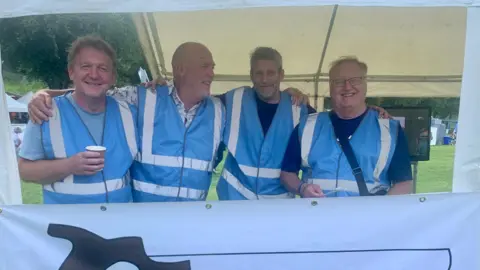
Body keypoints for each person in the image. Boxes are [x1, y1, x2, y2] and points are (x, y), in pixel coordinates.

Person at [18, 35, 139, 204]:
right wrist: (69, 166)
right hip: (67, 223)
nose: (94, 74)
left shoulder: (130, 113)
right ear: (71, 72)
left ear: (113, 77)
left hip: (119, 223)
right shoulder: (45, 111)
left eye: (103, 68)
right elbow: (24, 170)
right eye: (86, 66)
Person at [280, 56, 413, 198]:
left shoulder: (390, 130)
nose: (347, 86)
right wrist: (302, 188)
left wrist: (378, 212)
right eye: (339, 81)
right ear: (330, 86)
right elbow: (287, 173)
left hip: (367, 219)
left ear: (365, 84)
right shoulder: (307, 126)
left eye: (355, 80)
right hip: (317, 216)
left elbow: (404, 184)